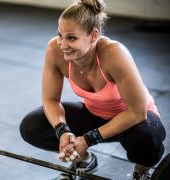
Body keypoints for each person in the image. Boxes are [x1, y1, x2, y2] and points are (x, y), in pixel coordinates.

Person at [19, 0, 166, 179]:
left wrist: (88, 139)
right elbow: (50, 100)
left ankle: (142, 172)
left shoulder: (114, 54)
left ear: (93, 35)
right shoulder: (55, 50)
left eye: (71, 38)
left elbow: (137, 112)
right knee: (32, 126)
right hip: (95, 116)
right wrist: (63, 131)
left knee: (145, 135)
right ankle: (85, 161)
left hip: (133, 122)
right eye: (60, 35)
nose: (62, 44)